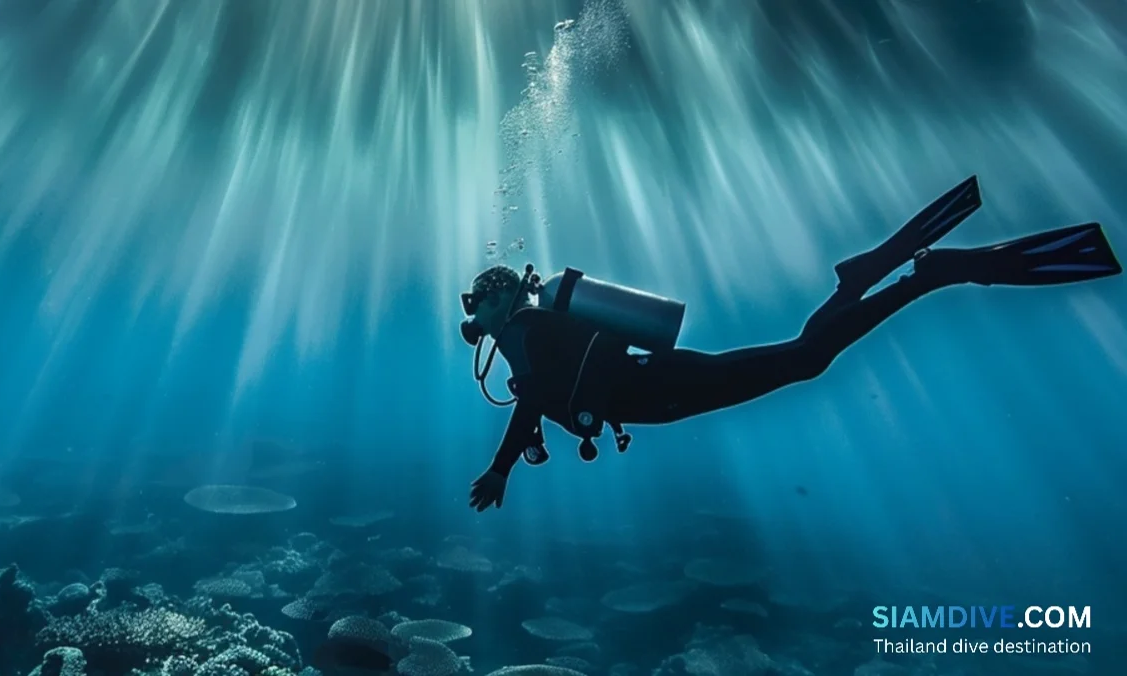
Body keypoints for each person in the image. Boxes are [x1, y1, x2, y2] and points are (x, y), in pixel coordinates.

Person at [459, 176, 1122, 512]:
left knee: (804, 359)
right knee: (804, 355)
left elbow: (540, 396)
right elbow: (546, 393)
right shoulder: (531, 328)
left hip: (658, 389)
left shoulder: (522, 328)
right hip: (657, 387)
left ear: (498, 297)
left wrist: (501, 468)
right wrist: (523, 449)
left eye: (474, 301)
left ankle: (929, 276)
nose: (471, 315)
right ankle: (868, 278)